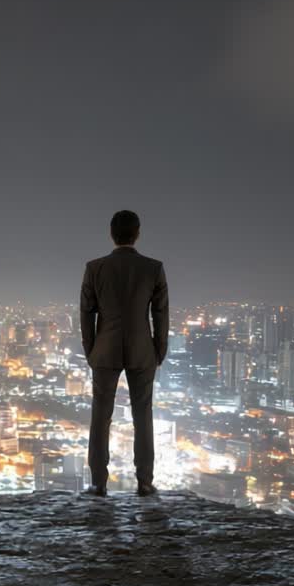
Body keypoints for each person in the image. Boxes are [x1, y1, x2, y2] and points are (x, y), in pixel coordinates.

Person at [79, 210, 168, 497]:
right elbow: (161, 313)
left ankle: (98, 483)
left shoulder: (95, 268)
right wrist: (158, 350)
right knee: (143, 414)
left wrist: (91, 349)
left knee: (100, 415)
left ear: (111, 234)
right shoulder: (153, 268)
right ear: (138, 233)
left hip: (104, 350)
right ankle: (144, 481)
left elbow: (86, 313)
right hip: (143, 351)